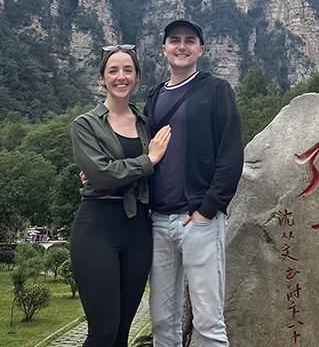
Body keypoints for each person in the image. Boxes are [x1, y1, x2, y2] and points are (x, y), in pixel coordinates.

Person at [144, 19, 244, 347]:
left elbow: (231, 155)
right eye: (174, 40)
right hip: (158, 221)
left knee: (208, 321)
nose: (181, 46)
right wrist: (97, 169)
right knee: (162, 320)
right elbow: (139, 151)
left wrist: (207, 210)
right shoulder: (154, 97)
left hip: (198, 219)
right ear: (164, 49)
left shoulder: (217, 90)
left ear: (201, 49)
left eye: (190, 40)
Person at [70, 45, 172, 347]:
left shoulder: (146, 124)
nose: (121, 76)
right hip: (96, 227)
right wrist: (147, 161)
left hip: (139, 229)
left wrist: (115, 169)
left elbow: (112, 171)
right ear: (102, 78)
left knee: (121, 335)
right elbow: (101, 175)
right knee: (102, 332)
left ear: (137, 76)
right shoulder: (85, 125)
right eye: (113, 70)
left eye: (128, 70)